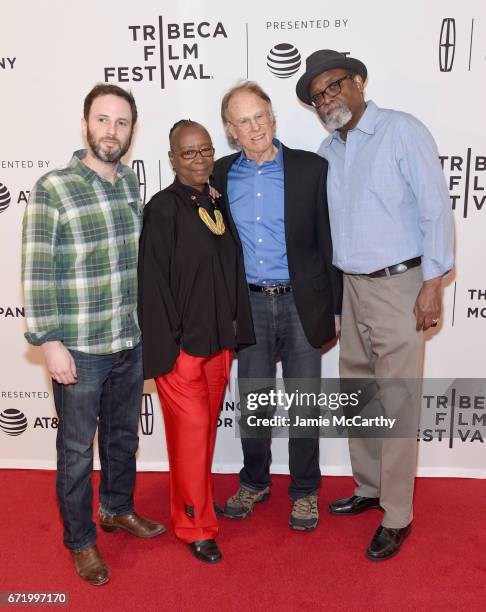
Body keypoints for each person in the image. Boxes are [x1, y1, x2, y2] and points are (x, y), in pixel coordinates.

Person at [296, 49, 454, 559]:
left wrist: (433, 283)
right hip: (352, 287)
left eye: (334, 86)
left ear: (359, 81)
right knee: (359, 393)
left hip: (400, 285)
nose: (327, 100)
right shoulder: (327, 150)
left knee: (399, 401)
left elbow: (436, 209)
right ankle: (369, 489)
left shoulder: (402, 131)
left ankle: (399, 514)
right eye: (318, 96)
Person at [21, 84, 165, 586]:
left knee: (124, 438)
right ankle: (81, 541)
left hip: (129, 339)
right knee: (78, 452)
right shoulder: (53, 187)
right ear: (85, 125)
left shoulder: (129, 185)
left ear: (132, 130)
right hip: (79, 348)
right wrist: (50, 342)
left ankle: (118, 509)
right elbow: (37, 271)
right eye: (102, 120)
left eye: (122, 122)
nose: (112, 131)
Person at [212, 81, 342, 531]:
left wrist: (337, 307)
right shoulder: (220, 176)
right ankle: (254, 481)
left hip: (302, 303)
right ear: (231, 130)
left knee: (305, 403)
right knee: (254, 403)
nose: (254, 127)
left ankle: (305, 491)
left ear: (273, 116)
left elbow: (329, 241)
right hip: (247, 306)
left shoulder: (312, 169)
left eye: (259, 116)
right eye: (242, 121)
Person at [138, 120, 254, 563]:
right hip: (183, 352)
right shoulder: (163, 209)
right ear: (171, 159)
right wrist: (171, 351)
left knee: (202, 438)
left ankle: (197, 507)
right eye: (188, 153)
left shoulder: (215, 202)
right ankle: (194, 526)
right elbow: (153, 286)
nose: (200, 158)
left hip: (219, 346)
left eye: (205, 150)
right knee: (188, 442)